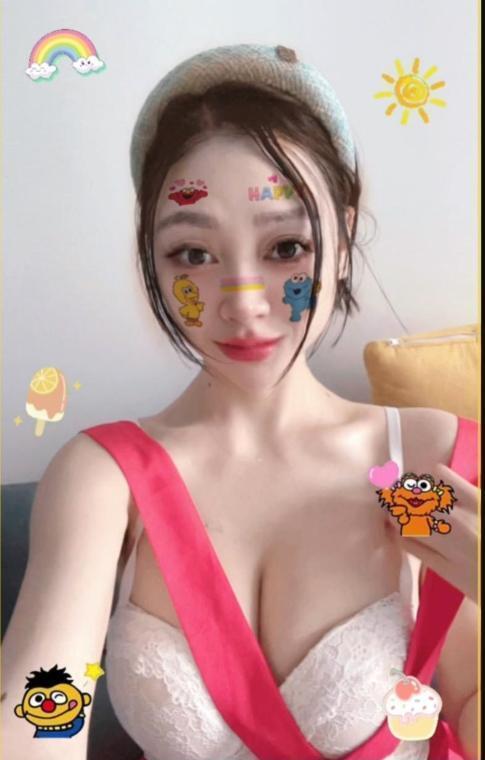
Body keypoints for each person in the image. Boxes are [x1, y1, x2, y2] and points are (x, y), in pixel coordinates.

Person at [2, 44, 479, 760]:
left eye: (285, 247)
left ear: (344, 232)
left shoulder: (423, 462)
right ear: (152, 255)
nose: (244, 305)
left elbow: (469, 711)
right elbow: (41, 715)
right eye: (193, 255)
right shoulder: (105, 480)